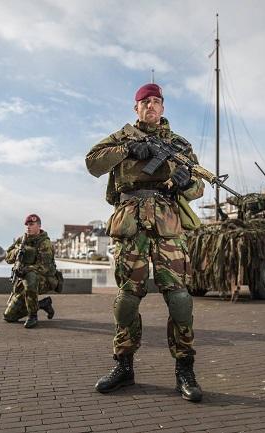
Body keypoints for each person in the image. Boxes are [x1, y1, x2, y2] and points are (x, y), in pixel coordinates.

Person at [85, 83, 205, 402]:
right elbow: (92, 162)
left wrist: (186, 182)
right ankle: (124, 367)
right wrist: (126, 150)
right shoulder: (122, 137)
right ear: (135, 107)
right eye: (145, 102)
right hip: (130, 222)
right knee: (127, 300)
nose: (151, 106)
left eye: (156, 102)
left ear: (163, 108)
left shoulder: (179, 144)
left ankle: (185, 370)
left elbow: (199, 187)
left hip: (167, 221)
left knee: (180, 299)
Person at [4, 214, 61, 328]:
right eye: (27, 225)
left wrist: (26, 269)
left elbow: (45, 268)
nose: (28, 227)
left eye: (31, 224)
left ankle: (32, 316)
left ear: (39, 226)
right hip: (24, 281)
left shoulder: (45, 243)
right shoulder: (22, 240)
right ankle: (43, 304)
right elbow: (7, 257)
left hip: (44, 280)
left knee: (31, 276)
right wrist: (16, 253)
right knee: (9, 316)